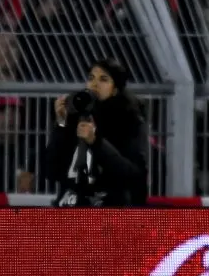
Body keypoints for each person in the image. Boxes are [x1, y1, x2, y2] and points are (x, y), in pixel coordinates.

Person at [44, 58, 148, 207]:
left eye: (103, 80)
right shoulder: (75, 116)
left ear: (115, 89)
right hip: (71, 206)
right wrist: (61, 124)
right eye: (91, 78)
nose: (94, 84)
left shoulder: (130, 121)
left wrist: (96, 142)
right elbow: (52, 170)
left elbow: (132, 174)